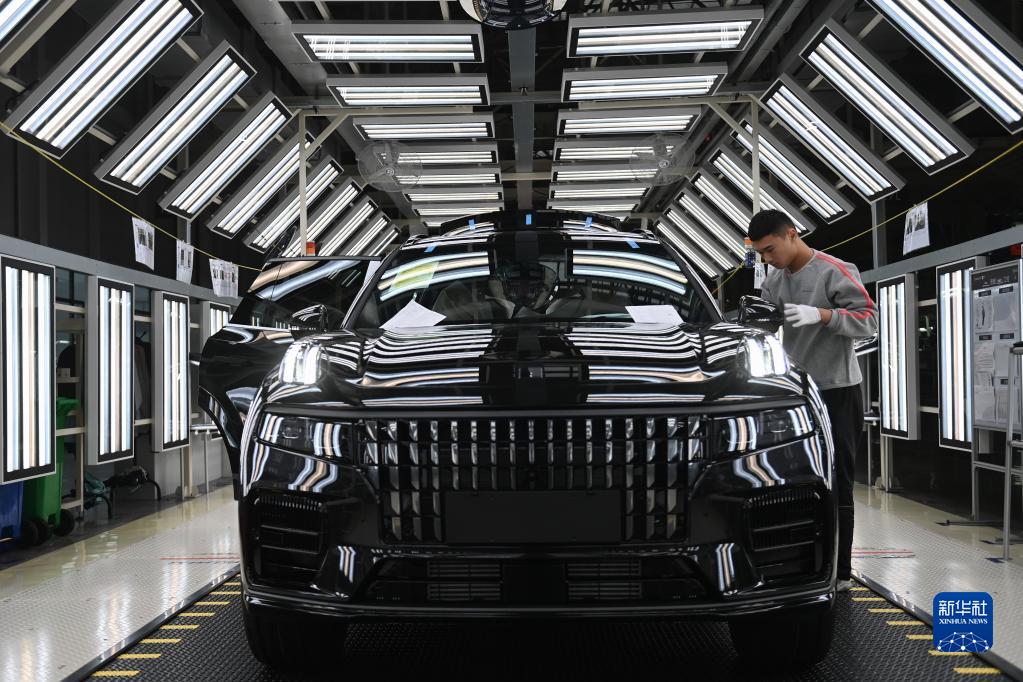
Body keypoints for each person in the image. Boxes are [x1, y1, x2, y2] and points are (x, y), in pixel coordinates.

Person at [748, 209, 877, 593]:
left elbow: (869, 321)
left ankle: (842, 572)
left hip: (837, 390)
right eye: (761, 253)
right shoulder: (773, 281)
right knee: (792, 481)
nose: (767, 259)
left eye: (770, 249)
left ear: (792, 234)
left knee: (838, 479)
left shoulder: (834, 270)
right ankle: (799, 566)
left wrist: (822, 315)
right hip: (795, 394)